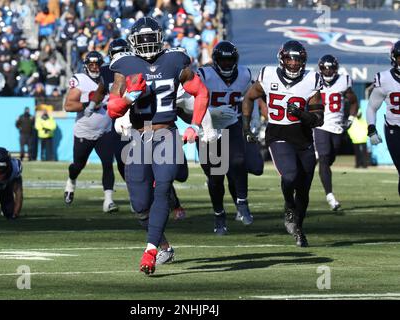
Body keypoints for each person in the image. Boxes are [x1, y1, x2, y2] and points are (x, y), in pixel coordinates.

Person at [105, 17, 209, 275]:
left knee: (162, 189)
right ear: (133, 42)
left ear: (161, 38)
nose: (149, 44)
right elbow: (112, 110)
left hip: (166, 133)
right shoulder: (124, 64)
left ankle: (150, 250)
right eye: (143, 40)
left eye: (153, 38)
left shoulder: (175, 60)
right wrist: (129, 97)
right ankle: (162, 245)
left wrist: (194, 125)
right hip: (139, 136)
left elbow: (201, 92)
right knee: (140, 205)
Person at [242, 40, 324, 247]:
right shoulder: (267, 75)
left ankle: (298, 228)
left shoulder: (312, 79)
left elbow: (318, 119)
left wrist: (302, 114)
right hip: (278, 134)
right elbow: (249, 97)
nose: (294, 63)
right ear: (282, 58)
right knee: (290, 175)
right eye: (290, 58)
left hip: (303, 138)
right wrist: (245, 126)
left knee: (304, 190)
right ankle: (288, 204)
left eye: (298, 59)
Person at [196, 40, 260, 235]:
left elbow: (251, 99)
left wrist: (253, 122)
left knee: (239, 161)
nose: (226, 65)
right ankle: (219, 216)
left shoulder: (245, 74)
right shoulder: (204, 75)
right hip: (208, 129)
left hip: (231, 124)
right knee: (215, 177)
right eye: (222, 61)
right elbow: (192, 99)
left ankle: (242, 201)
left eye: (230, 61)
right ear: (215, 61)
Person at [63, 51, 119, 213]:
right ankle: (71, 182)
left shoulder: (110, 78)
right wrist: (89, 104)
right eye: (91, 64)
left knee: (108, 164)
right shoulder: (80, 80)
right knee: (77, 165)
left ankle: (108, 201)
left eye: (97, 64)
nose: (94, 67)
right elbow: (68, 106)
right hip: (84, 131)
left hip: (105, 130)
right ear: (86, 65)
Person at [314, 54, 359, 211]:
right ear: (320, 69)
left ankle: (319, 158)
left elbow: (354, 101)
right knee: (325, 157)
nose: (327, 72)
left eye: (330, 68)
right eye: (325, 69)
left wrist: (351, 118)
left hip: (337, 126)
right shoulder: (313, 80)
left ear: (336, 68)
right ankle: (330, 196)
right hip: (320, 125)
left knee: (331, 156)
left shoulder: (343, 80)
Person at [366, 40, 400, 196]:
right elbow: (372, 107)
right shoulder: (385, 78)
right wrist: (372, 129)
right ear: (394, 58)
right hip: (395, 130)